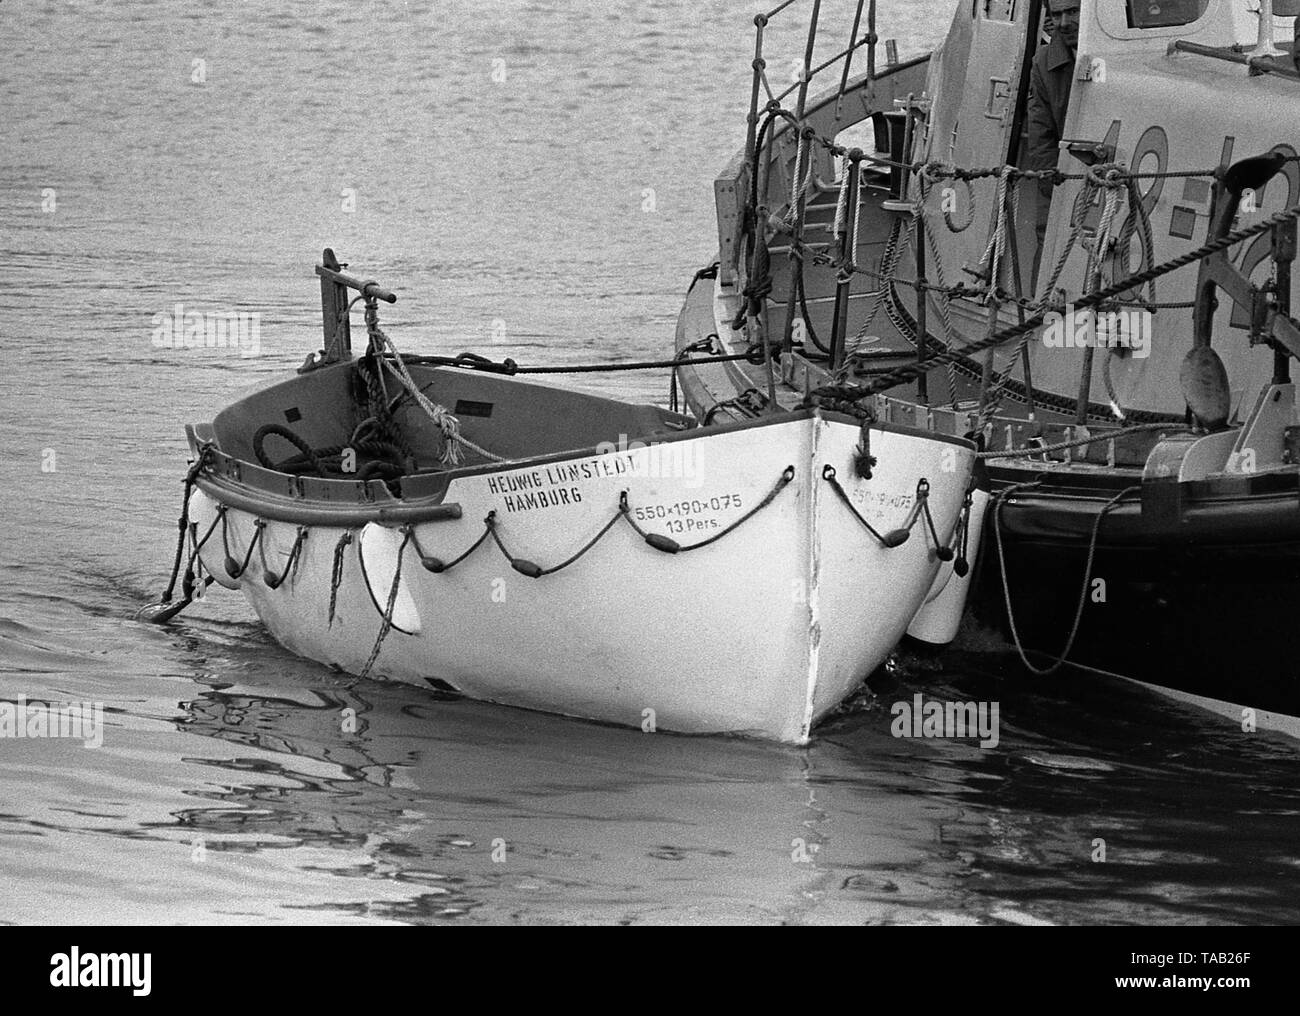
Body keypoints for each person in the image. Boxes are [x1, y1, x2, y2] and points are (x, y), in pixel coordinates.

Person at [1027, 0, 1081, 281]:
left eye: (1073, 11)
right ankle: (1041, 315)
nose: (1063, 23)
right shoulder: (1044, 63)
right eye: (1056, 14)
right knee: (1049, 239)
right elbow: (1040, 136)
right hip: (1062, 176)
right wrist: (1055, 184)